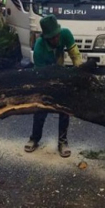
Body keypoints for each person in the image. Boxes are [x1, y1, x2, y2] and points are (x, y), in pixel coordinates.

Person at [25, 15, 83, 158]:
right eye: (52, 38)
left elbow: (75, 55)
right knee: (40, 109)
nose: (56, 40)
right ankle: (34, 138)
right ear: (46, 37)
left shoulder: (65, 34)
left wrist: (80, 75)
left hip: (61, 73)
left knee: (65, 108)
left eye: (57, 36)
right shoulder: (39, 49)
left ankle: (62, 142)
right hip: (45, 78)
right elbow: (41, 75)